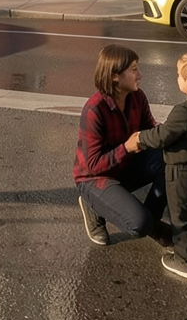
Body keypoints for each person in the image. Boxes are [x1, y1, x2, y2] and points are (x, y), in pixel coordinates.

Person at [128, 51, 187, 280]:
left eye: (178, 75)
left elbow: (162, 136)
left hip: (181, 173)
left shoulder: (184, 112)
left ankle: (186, 263)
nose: (176, 78)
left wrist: (140, 138)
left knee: (180, 216)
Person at [73, 44, 171, 248]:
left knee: (171, 159)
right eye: (134, 70)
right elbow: (93, 165)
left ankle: (152, 223)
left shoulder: (137, 97)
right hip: (94, 178)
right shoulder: (94, 109)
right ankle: (92, 203)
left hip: (125, 166)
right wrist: (127, 148)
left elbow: (150, 130)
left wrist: (172, 132)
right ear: (115, 76)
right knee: (139, 224)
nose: (140, 75)